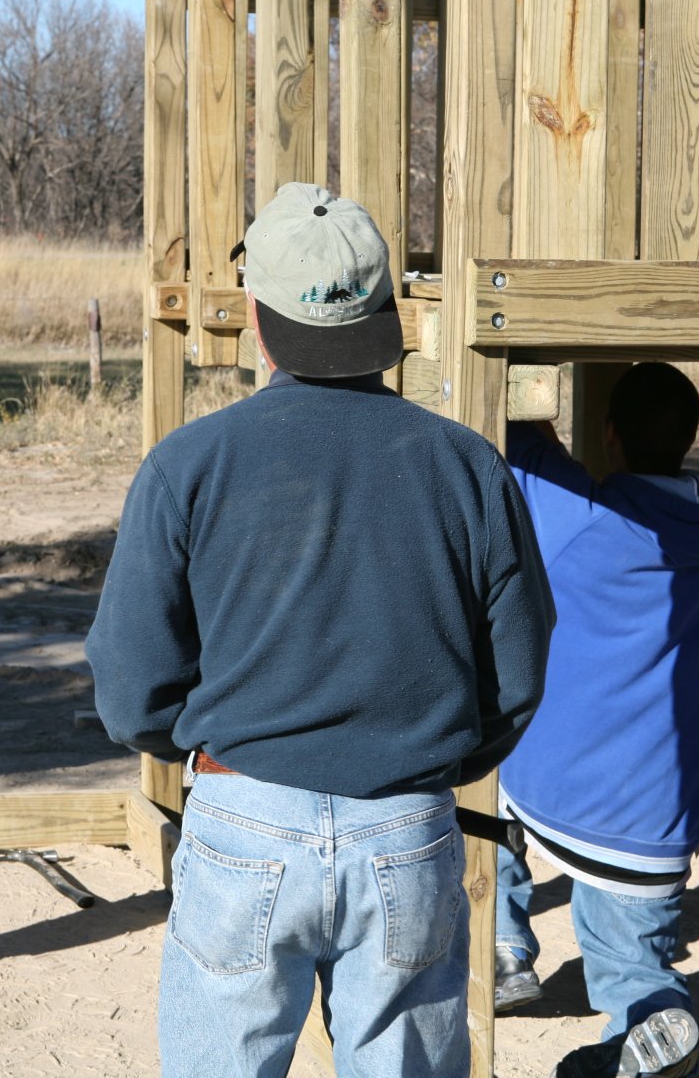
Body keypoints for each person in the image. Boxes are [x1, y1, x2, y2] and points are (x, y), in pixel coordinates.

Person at [86, 181, 554, 1078]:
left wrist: (202, 748)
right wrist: (433, 764)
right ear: (386, 314)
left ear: (259, 322)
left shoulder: (188, 463)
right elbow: (519, 670)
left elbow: (131, 683)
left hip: (242, 810)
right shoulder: (468, 466)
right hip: (408, 821)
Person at [494, 363, 699, 1078]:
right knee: (632, 955)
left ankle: (505, 946)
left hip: (565, 789)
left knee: (480, 784)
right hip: (664, 803)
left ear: (608, 433)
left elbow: (517, 441)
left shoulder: (582, 522)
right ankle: (652, 1015)